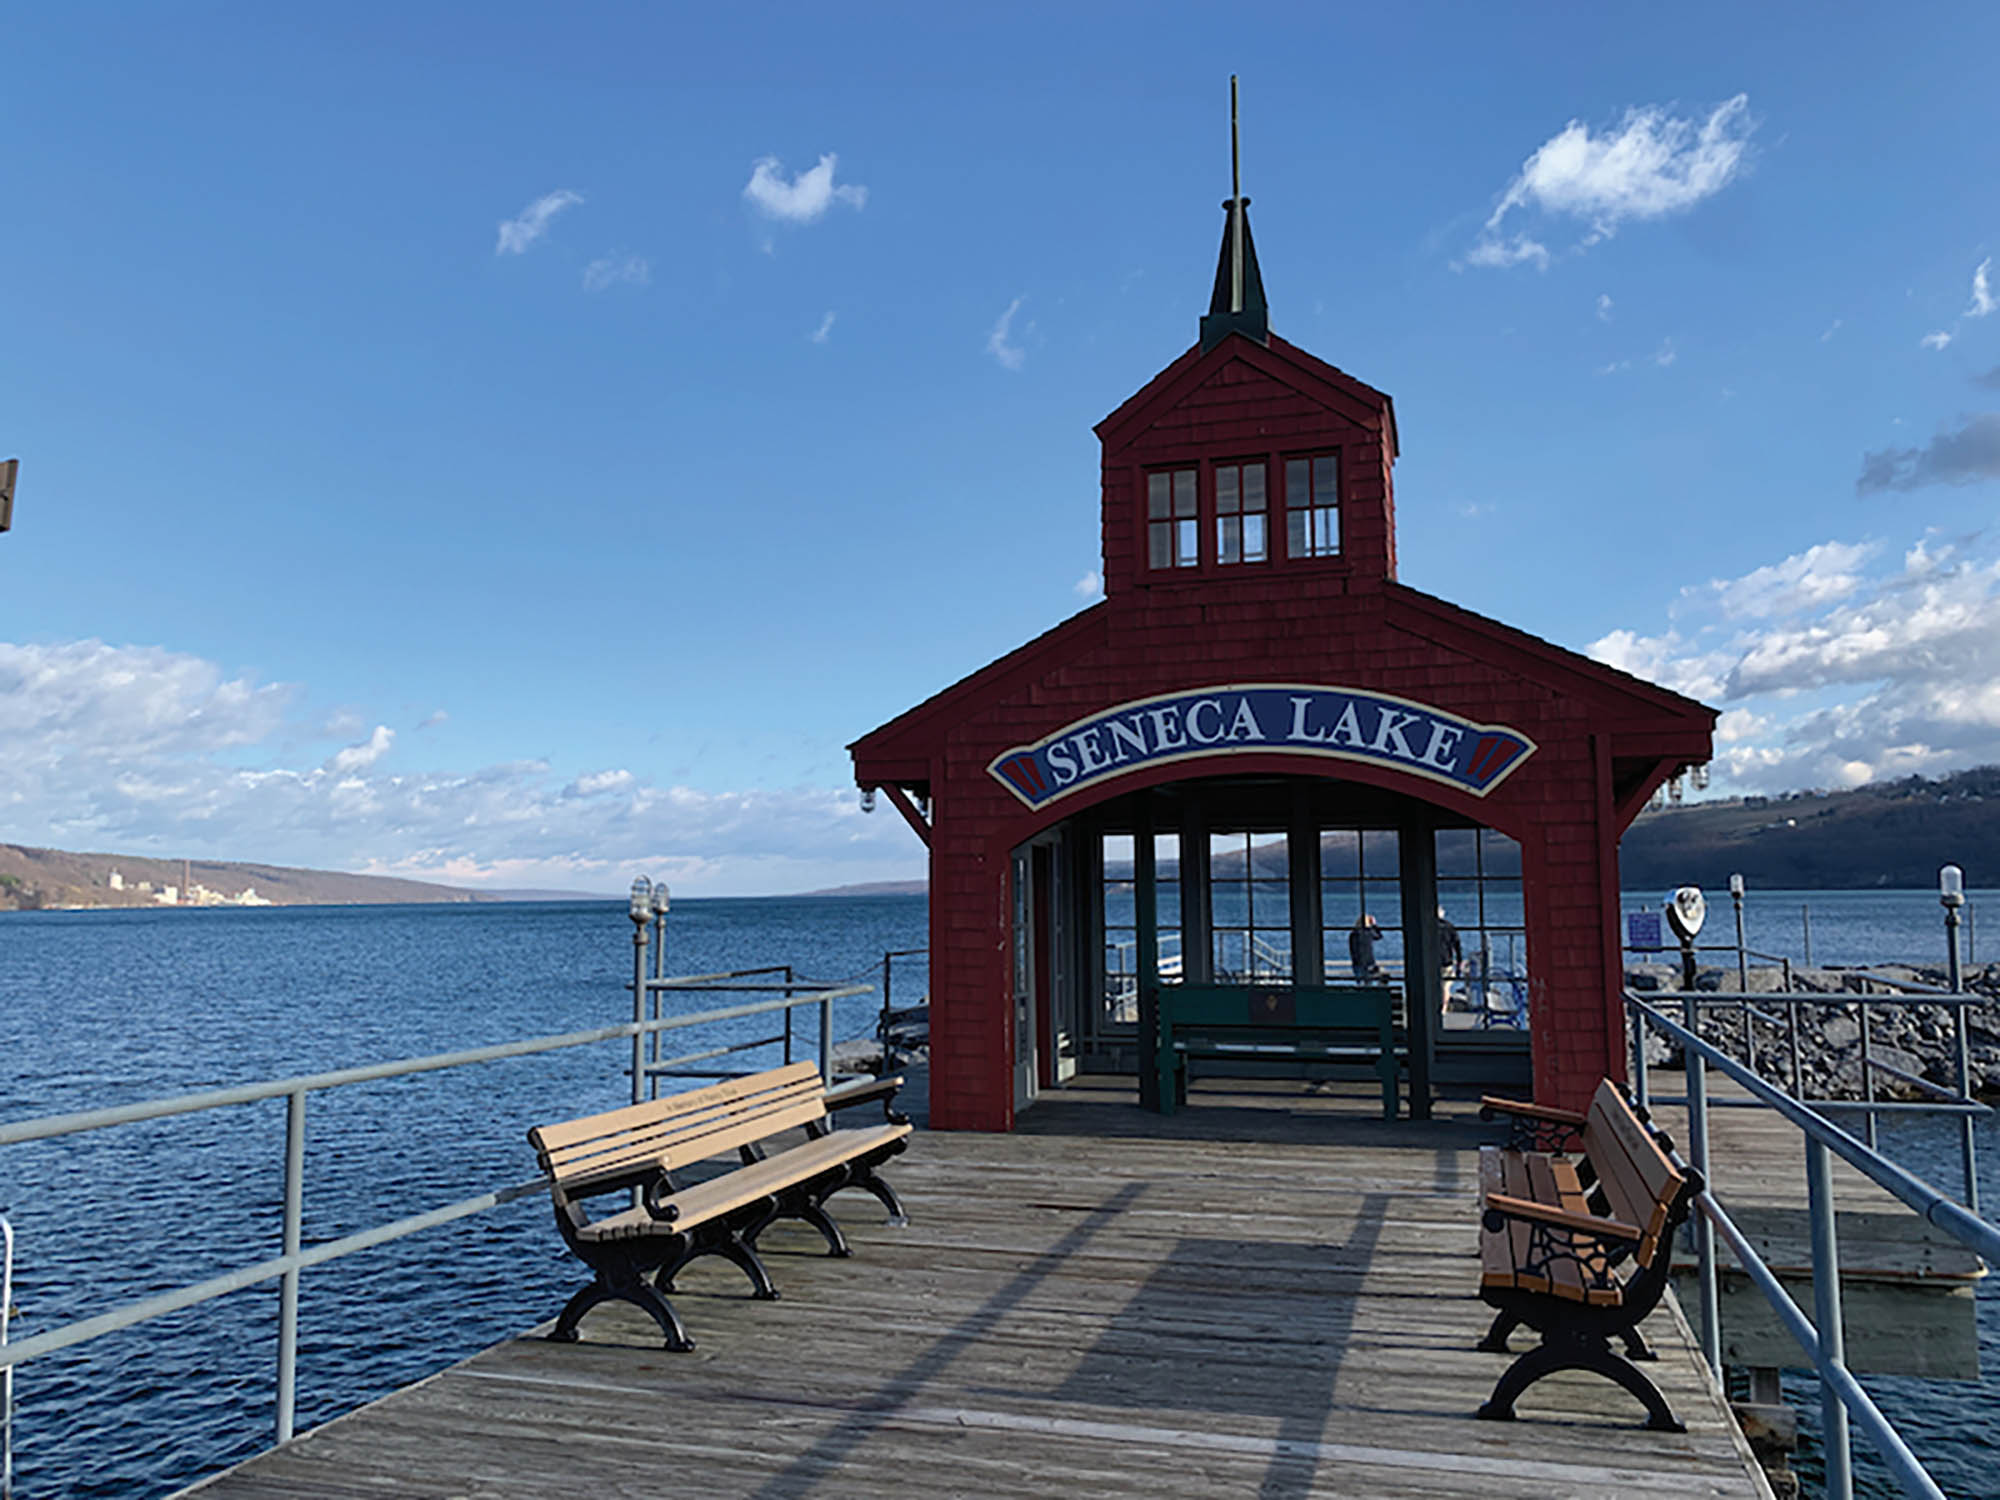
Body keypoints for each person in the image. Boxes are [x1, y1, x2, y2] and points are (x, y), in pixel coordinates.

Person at [1437, 906, 1464, 1012]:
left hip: (1432, 961)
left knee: (1436, 986)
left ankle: (1437, 1006)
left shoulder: (1428, 927)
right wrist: (1459, 961)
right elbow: (1457, 946)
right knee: (1445, 987)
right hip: (1446, 961)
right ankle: (1443, 1008)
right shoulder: (1449, 927)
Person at [1348, 913, 1383, 979]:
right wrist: (1374, 925)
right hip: (1369, 962)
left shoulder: (1353, 934)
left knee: (1361, 983)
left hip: (1357, 962)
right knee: (1369, 982)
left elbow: (1352, 949)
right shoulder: (1369, 932)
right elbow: (1379, 936)